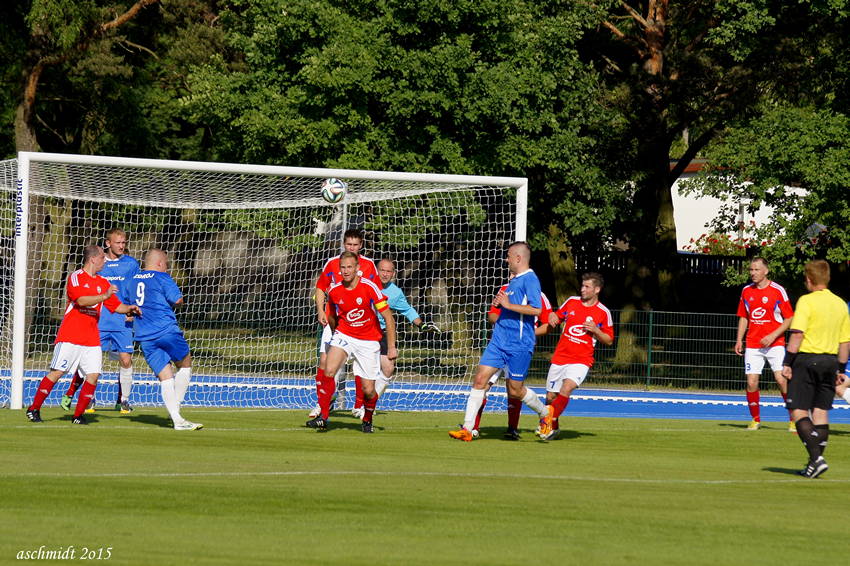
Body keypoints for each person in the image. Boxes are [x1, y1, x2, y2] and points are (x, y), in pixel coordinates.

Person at [25, 245, 141, 425]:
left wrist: (129, 309)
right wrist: (103, 296)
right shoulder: (76, 277)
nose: (105, 261)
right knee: (57, 373)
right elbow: (80, 300)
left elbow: (116, 306)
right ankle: (33, 409)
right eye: (103, 257)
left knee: (93, 375)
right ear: (93, 259)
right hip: (71, 335)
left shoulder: (103, 282)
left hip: (91, 337)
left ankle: (78, 416)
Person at [449, 242, 549, 441]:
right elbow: (505, 310)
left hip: (519, 344)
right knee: (479, 380)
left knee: (515, 389)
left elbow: (536, 310)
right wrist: (501, 306)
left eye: (509, 256)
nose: (506, 260)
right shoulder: (512, 282)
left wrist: (508, 305)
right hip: (498, 342)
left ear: (518, 258)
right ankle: (467, 429)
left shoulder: (530, 279)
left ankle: (545, 412)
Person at [306, 251, 396, 433]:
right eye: (343, 267)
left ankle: (367, 418)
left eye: (349, 267)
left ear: (357, 269)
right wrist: (336, 333)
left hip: (368, 341)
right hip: (344, 334)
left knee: (369, 390)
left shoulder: (369, 287)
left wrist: (392, 347)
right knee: (328, 369)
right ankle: (323, 417)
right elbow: (331, 316)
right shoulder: (335, 290)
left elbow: (388, 317)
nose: (346, 271)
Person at [781, 260, 850, 478]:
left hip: (807, 359)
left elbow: (798, 333)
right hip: (831, 361)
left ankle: (816, 458)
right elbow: (845, 342)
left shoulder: (806, 301)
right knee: (821, 412)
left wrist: (787, 362)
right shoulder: (840, 304)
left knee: (798, 410)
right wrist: (841, 368)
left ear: (809, 280)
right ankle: (813, 465)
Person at [350, 258, 441, 419]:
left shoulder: (395, 292)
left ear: (393, 273)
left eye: (388, 271)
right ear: (376, 271)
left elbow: (407, 310)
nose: (385, 274)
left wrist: (422, 325)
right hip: (361, 331)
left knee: (388, 368)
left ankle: (368, 404)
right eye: (382, 270)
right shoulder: (365, 284)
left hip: (382, 333)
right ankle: (329, 404)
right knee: (351, 368)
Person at [61, 228, 140, 414]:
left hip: (122, 319)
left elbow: (137, 288)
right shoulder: (98, 263)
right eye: (118, 242)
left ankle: (124, 401)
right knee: (90, 362)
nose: (122, 246)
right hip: (99, 320)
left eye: (124, 242)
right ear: (108, 243)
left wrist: (132, 308)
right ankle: (86, 398)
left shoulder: (131, 264)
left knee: (126, 359)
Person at [123, 248, 202, 431]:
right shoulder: (162, 278)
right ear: (159, 263)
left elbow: (128, 305)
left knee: (165, 376)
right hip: (166, 330)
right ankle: (177, 406)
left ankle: (177, 420)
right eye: (166, 263)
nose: (167, 267)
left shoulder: (132, 280)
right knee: (185, 363)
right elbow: (178, 300)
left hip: (144, 336)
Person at [465, 285, 555, 440]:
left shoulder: (538, 295)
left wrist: (525, 334)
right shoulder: (505, 290)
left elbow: (548, 326)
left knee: (514, 389)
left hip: (519, 349)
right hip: (500, 345)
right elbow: (492, 315)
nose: (512, 275)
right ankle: (472, 428)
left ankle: (513, 428)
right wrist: (505, 326)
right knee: (482, 383)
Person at [308, 229, 381, 418]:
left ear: (361, 246)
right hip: (334, 321)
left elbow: (375, 294)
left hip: (359, 325)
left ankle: (359, 405)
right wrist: (321, 310)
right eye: (349, 244)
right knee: (325, 363)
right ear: (344, 244)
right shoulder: (332, 263)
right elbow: (320, 287)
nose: (352, 248)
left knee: (359, 365)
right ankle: (322, 405)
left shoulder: (369, 265)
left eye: (356, 245)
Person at [537, 272, 614, 441]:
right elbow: (556, 316)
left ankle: (546, 421)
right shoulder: (571, 302)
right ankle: (553, 428)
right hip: (560, 357)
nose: (582, 289)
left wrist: (596, 330)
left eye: (587, 287)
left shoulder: (603, 312)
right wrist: (552, 317)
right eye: (582, 286)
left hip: (581, 360)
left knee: (567, 388)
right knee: (550, 397)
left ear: (597, 289)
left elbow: (609, 340)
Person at [734, 257, 795, 431]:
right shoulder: (746, 291)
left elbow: (789, 318)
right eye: (751, 270)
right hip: (753, 344)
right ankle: (755, 419)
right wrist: (739, 339)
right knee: (752, 382)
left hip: (775, 343)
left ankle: (793, 419)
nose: (753, 273)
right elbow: (744, 317)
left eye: (756, 270)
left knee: (781, 380)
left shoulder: (778, 291)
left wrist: (773, 335)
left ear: (766, 271)